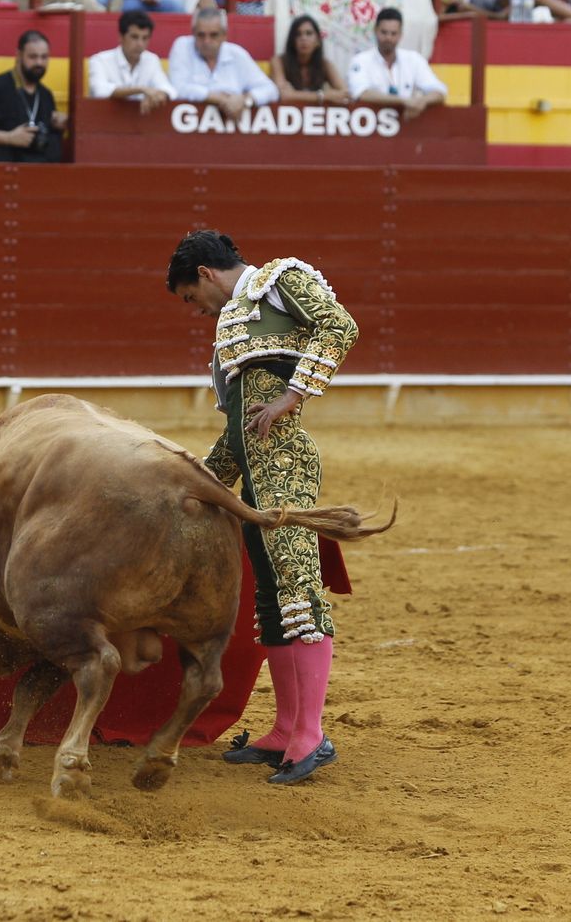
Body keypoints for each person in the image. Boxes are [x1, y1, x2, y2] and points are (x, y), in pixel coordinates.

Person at [165, 229, 360, 786]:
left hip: (286, 464)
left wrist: (290, 397)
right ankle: (285, 729)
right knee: (274, 600)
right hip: (256, 467)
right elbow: (239, 427)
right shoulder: (235, 326)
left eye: (189, 297)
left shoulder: (278, 280)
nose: (196, 311)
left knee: (298, 590)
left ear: (205, 273)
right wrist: (197, 483)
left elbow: (340, 325)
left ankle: (311, 735)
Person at [0, 29, 68, 163]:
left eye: (44, 57)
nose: (39, 63)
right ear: (18, 55)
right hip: (2, 176)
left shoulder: (46, 95)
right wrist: (8, 137)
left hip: (37, 174)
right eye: (33, 57)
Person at [167, 7, 279, 120]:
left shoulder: (237, 54)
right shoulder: (182, 46)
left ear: (224, 35)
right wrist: (219, 98)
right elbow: (178, 88)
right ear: (193, 33)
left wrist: (245, 100)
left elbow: (270, 89)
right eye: (201, 35)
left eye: (213, 35)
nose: (207, 41)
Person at [346, 7, 447, 119]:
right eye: (384, 32)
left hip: (407, 125)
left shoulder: (413, 59)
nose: (388, 38)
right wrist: (403, 101)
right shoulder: (361, 60)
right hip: (370, 126)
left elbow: (439, 91)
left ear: (400, 35)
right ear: (375, 30)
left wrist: (422, 102)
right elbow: (361, 93)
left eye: (393, 33)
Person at [88, 10, 177, 111]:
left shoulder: (152, 60)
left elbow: (169, 90)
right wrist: (141, 90)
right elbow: (100, 91)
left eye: (145, 38)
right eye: (134, 37)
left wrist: (158, 95)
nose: (140, 44)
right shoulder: (100, 60)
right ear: (121, 37)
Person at [272, 14, 350, 104]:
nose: (303, 38)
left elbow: (345, 94)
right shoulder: (278, 62)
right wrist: (324, 96)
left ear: (318, 41)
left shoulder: (325, 65)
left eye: (309, 33)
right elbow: (285, 95)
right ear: (292, 41)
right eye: (298, 34)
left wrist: (295, 94)